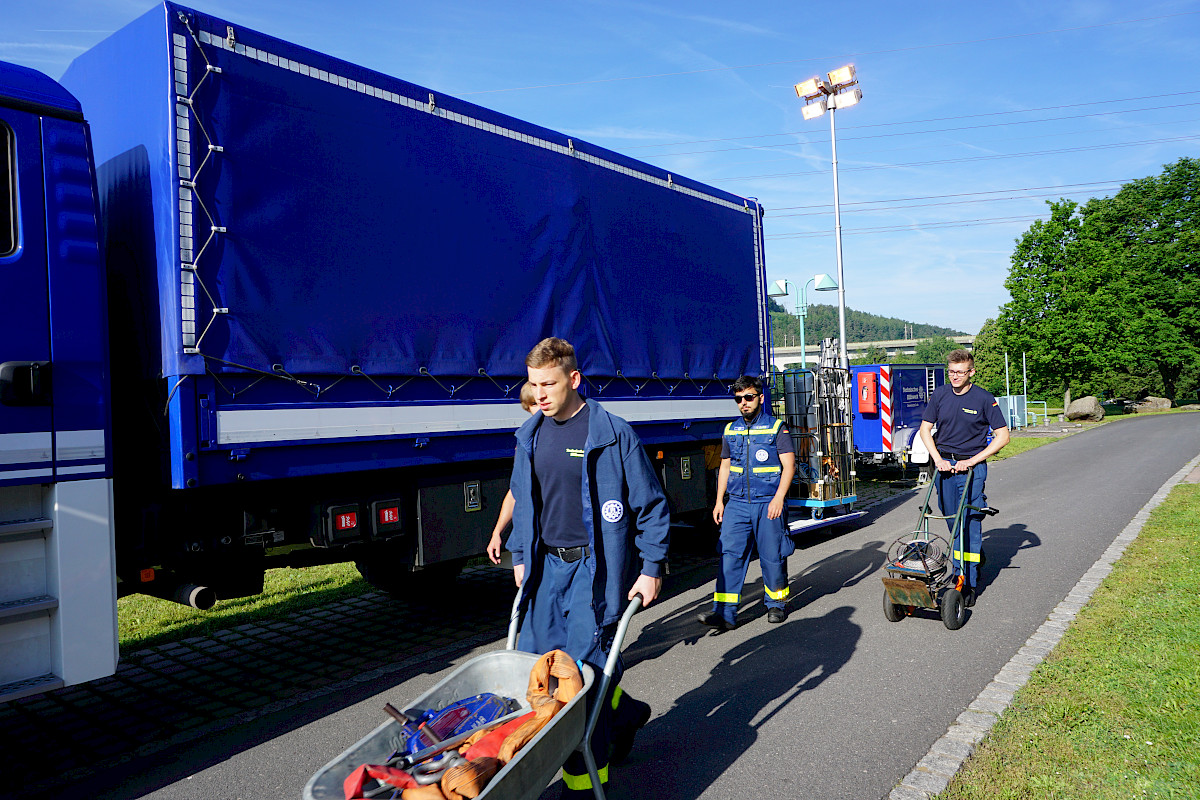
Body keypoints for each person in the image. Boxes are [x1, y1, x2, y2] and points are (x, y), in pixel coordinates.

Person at [506, 337, 669, 798]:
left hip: (594, 576)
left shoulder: (612, 435)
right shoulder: (530, 436)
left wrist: (651, 566)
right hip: (545, 574)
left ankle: (581, 791)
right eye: (534, 383)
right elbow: (524, 505)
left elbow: (652, 506)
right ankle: (627, 711)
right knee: (540, 678)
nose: (539, 393)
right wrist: (521, 556)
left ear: (573, 379)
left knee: (580, 691)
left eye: (549, 383)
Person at [699, 375, 796, 631]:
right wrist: (720, 501)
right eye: (739, 399)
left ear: (760, 398)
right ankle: (724, 613)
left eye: (749, 397)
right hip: (738, 504)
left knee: (772, 556)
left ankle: (776, 604)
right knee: (730, 556)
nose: (744, 403)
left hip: (768, 504)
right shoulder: (731, 430)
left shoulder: (777, 428)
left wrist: (778, 499)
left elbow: (789, 466)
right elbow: (725, 467)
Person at [918, 349, 1009, 605]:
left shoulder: (983, 399)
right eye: (951, 372)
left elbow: (1003, 437)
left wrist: (972, 460)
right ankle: (973, 554)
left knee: (968, 521)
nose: (955, 377)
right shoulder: (941, 394)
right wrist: (937, 459)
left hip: (971, 467)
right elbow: (925, 430)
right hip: (944, 465)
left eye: (960, 372)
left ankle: (966, 582)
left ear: (971, 372)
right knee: (951, 518)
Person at [487, 382, 540, 564]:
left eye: (541, 402)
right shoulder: (525, 440)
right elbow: (516, 491)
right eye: (533, 405)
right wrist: (497, 532)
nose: (539, 409)